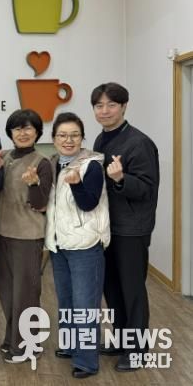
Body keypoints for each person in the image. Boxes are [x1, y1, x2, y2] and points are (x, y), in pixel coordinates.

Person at [91, 83, 160, 372]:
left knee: (132, 291)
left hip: (132, 229)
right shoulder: (101, 139)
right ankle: (121, 340)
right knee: (113, 288)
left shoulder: (139, 142)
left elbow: (146, 188)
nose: (104, 111)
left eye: (111, 105)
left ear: (124, 106)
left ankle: (137, 350)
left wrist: (121, 179)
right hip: (107, 227)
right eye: (99, 106)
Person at [45, 112, 110, 379]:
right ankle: (71, 346)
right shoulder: (54, 163)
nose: (68, 140)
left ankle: (86, 361)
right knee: (67, 300)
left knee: (85, 306)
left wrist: (76, 185)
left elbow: (89, 203)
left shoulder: (91, 165)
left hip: (85, 246)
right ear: (54, 139)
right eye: (62, 135)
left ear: (82, 138)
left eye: (74, 135)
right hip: (59, 244)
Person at [0, 109, 52, 363]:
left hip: (27, 235)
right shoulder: (3, 156)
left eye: (28, 128)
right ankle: (13, 338)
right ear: (10, 133)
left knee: (26, 293)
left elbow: (40, 203)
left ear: (37, 132)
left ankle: (28, 346)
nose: (22, 133)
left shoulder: (42, 162)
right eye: (17, 129)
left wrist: (34, 184)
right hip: (2, 233)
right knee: (7, 292)